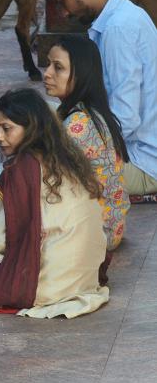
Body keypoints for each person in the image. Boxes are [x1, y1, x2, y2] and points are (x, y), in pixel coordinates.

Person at [0, 89, 109, 318]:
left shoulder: (24, 167)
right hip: (81, 276)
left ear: (31, 127)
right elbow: (3, 198)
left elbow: (13, 241)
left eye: (6, 129)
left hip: (43, 284)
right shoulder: (61, 157)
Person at [43, 0, 157, 197]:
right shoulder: (125, 15)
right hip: (135, 150)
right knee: (40, 116)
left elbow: (125, 118)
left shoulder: (119, 28)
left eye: (62, 2)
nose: (63, 13)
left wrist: (70, 143)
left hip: (142, 163)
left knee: (44, 161)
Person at [43, 34, 129, 252]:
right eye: (48, 64)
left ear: (80, 75)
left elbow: (43, 178)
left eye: (58, 68)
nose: (47, 73)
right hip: (113, 227)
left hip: (97, 233)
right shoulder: (91, 111)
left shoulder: (77, 125)